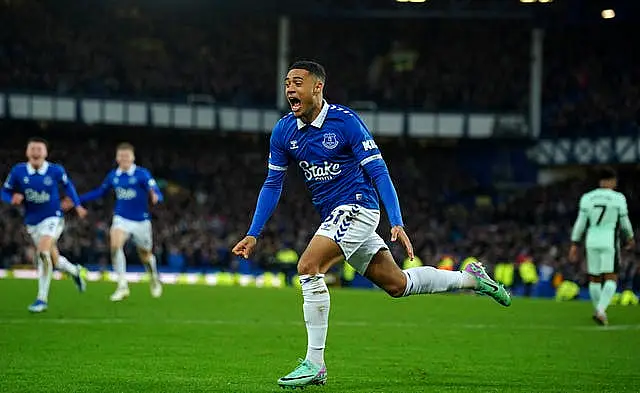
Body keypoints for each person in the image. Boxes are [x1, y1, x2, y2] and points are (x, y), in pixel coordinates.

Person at [232, 60, 511, 389]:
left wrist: (397, 221)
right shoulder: (283, 131)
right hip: (335, 215)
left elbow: (379, 171)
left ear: (317, 87)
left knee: (308, 266)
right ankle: (472, 279)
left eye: (297, 83)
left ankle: (315, 363)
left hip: (359, 207)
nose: (290, 89)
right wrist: (253, 233)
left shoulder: (345, 122)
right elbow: (272, 184)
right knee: (398, 285)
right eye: (287, 83)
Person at [1, 137, 88, 313]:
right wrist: (11, 198)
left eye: (39, 149)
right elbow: (4, 191)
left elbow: (68, 185)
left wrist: (77, 204)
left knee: (42, 252)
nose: (36, 151)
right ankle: (74, 271)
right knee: (53, 260)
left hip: (53, 217)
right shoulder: (18, 171)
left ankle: (41, 299)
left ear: (45, 153)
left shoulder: (55, 170)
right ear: (27, 152)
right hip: (32, 222)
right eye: (32, 148)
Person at [71, 143, 164, 302]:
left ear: (133, 158)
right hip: (121, 217)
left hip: (141, 221)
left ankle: (154, 278)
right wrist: (77, 200)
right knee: (115, 246)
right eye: (121, 156)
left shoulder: (142, 174)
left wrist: (156, 196)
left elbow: (155, 190)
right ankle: (122, 286)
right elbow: (100, 192)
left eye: (127, 156)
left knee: (145, 256)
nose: (124, 159)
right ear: (117, 158)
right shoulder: (114, 176)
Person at [569, 167, 635, 325]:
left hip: (591, 239)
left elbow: (580, 223)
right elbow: (624, 221)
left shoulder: (587, 198)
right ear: (612, 181)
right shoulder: (618, 198)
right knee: (611, 276)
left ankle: (599, 310)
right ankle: (600, 310)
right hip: (609, 240)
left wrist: (574, 243)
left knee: (595, 278)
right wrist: (630, 237)